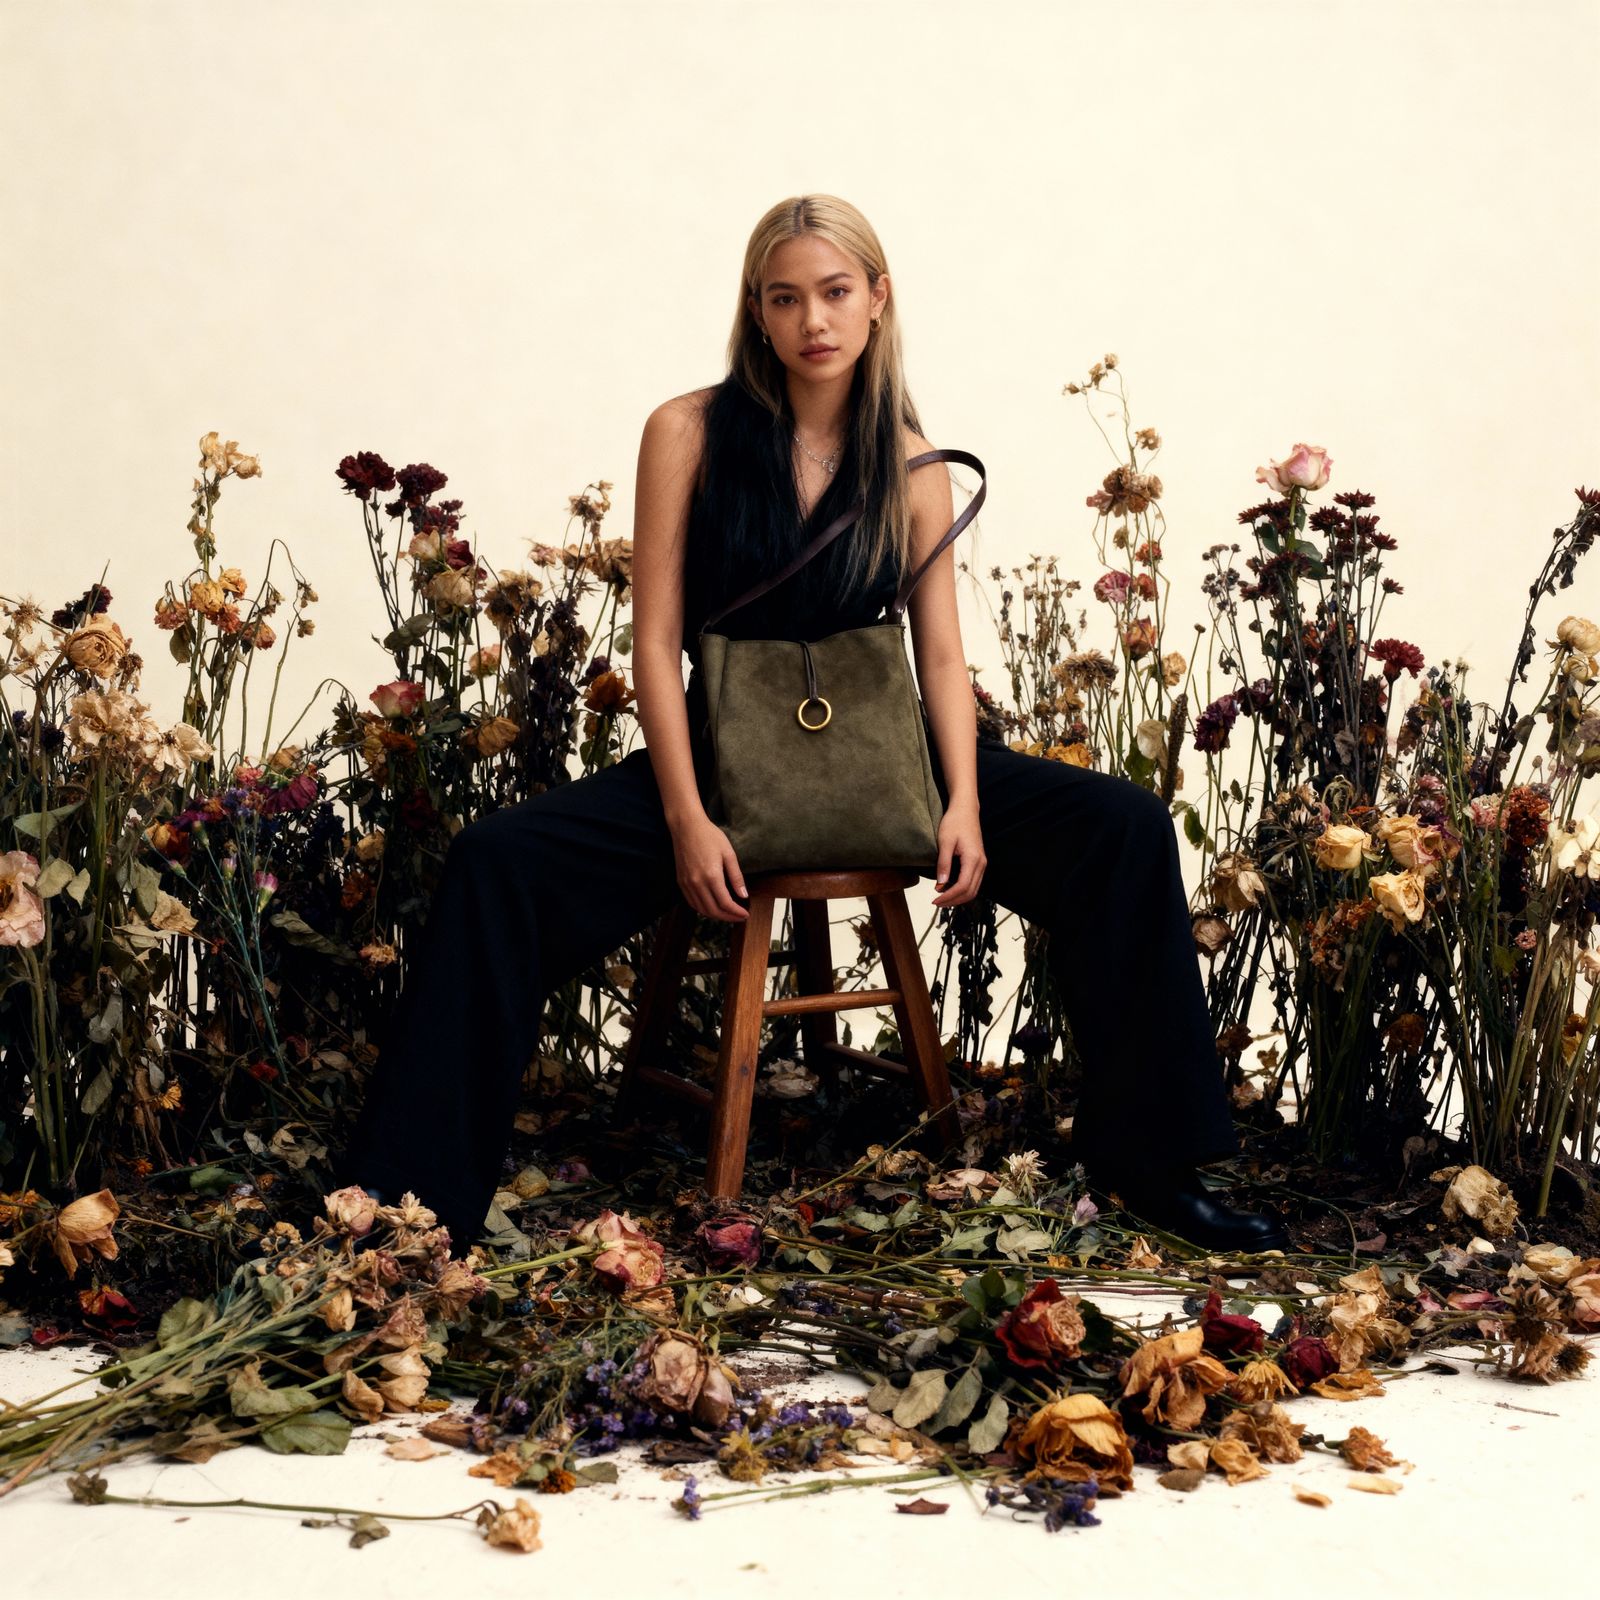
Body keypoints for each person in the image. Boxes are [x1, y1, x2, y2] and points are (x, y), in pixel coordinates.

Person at [339, 193, 1290, 1255]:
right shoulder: (687, 432)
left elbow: (938, 656)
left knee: (1120, 827)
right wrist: (689, 819)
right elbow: (655, 642)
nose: (813, 322)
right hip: (721, 757)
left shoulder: (915, 465)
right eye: (785, 299)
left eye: (835, 293)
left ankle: (1152, 1164)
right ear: (757, 312)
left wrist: (964, 800)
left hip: (886, 754)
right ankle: (405, 1207)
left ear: (878, 300)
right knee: (494, 862)